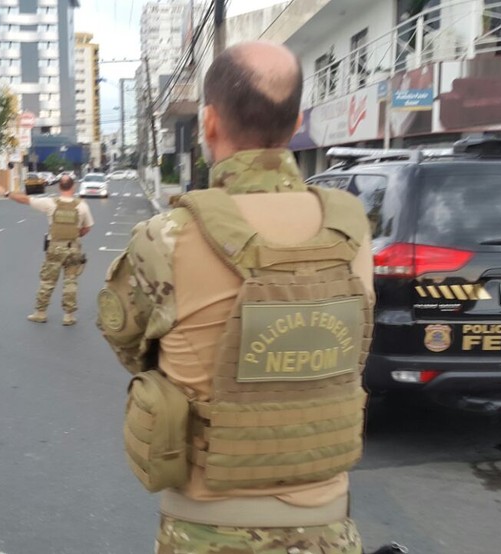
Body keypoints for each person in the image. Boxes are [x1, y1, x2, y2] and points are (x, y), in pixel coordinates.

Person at [98, 42, 375, 554]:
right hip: (333, 533)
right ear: (295, 126)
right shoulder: (353, 233)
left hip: (205, 533)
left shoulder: (168, 237)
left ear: (208, 123)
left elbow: (130, 349)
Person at [6, 175, 93, 326]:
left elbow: (25, 200)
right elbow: (87, 228)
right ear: (73, 187)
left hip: (54, 248)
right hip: (73, 248)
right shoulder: (82, 206)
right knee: (70, 282)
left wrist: (6, 193)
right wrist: (76, 234)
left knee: (47, 281)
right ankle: (68, 316)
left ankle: (40, 313)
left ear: (59, 187)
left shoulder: (49, 203)